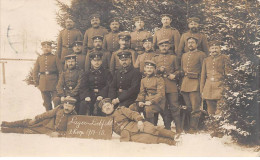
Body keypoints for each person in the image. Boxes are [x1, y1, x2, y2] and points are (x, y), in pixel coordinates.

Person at [95, 98, 176, 145]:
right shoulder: (106, 121)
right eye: (104, 107)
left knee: (153, 130)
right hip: (128, 135)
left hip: (135, 125)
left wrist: (139, 120)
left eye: (108, 105)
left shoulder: (121, 109)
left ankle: (175, 136)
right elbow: (104, 133)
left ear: (112, 105)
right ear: (103, 111)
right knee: (149, 139)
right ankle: (172, 142)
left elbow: (132, 114)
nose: (107, 108)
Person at [1, 97, 77, 137]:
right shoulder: (59, 108)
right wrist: (36, 118)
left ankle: (5, 130)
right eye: (66, 105)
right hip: (46, 122)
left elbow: (72, 132)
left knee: (28, 131)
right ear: (63, 105)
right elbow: (47, 114)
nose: (66, 108)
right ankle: (7, 124)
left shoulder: (75, 117)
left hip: (49, 130)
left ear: (73, 107)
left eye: (69, 106)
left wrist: (59, 135)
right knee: (28, 122)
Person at [152, 39, 182, 133]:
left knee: (174, 106)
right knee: (163, 107)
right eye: (162, 46)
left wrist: (175, 75)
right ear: (159, 47)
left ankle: (179, 128)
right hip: (160, 86)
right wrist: (158, 70)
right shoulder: (155, 58)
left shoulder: (173, 58)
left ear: (169, 47)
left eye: (166, 46)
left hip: (171, 85)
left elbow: (179, 70)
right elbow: (151, 72)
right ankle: (167, 127)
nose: (164, 47)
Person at [180, 37, 206, 133]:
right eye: (189, 42)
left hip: (195, 82)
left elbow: (204, 70)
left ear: (197, 44)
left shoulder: (201, 54)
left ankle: (193, 128)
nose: (190, 44)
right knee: (188, 107)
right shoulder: (184, 55)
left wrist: (201, 84)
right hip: (185, 83)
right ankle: (187, 126)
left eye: (192, 42)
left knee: (195, 107)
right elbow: (182, 70)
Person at [200, 40, 231, 115]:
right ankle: (212, 125)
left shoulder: (224, 58)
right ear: (210, 50)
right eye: (212, 48)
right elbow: (203, 75)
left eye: (216, 48)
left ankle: (218, 125)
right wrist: (202, 89)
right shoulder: (206, 60)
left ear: (220, 49)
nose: (214, 50)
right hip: (208, 87)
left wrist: (227, 87)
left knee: (220, 109)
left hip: (220, 86)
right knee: (210, 109)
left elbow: (228, 74)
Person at [130, 60, 166, 124]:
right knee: (133, 107)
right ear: (144, 69)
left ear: (154, 69)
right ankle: (137, 125)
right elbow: (142, 93)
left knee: (148, 109)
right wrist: (140, 101)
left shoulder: (159, 79)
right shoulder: (143, 80)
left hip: (158, 103)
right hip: (146, 101)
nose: (149, 70)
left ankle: (151, 127)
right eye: (147, 68)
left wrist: (151, 101)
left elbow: (160, 94)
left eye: (151, 68)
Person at [33, 41, 62, 111]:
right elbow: (35, 71)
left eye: (48, 47)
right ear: (42, 48)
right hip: (43, 83)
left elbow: (61, 71)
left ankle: (56, 116)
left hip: (54, 83)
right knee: (46, 103)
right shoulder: (39, 58)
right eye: (44, 47)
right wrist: (37, 83)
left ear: (51, 48)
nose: (46, 49)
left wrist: (60, 83)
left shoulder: (55, 57)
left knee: (56, 101)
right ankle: (49, 118)